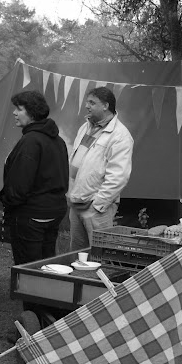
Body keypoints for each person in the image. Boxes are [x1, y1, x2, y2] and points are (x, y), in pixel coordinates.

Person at [0, 91, 69, 265]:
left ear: (32, 112)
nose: (14, 112)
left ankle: (29, 292)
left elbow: (19, 186)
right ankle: (44, 292)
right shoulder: (58, 141)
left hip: (30, 216)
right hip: (53, 212)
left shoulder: (30, 142)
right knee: (46, 264)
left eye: (19, 109)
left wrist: (6, 201)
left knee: (28, 267)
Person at [68, 86, 134, 250]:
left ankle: (101, 277)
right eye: (87, 101)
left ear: (105, 105)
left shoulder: (120, 135)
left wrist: (97, 205)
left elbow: (119, 176)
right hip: (77, 202)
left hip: (96, 208)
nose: (86, 105)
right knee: (77, 255)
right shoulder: (85, 127)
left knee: (100, 255)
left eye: (92, 102)